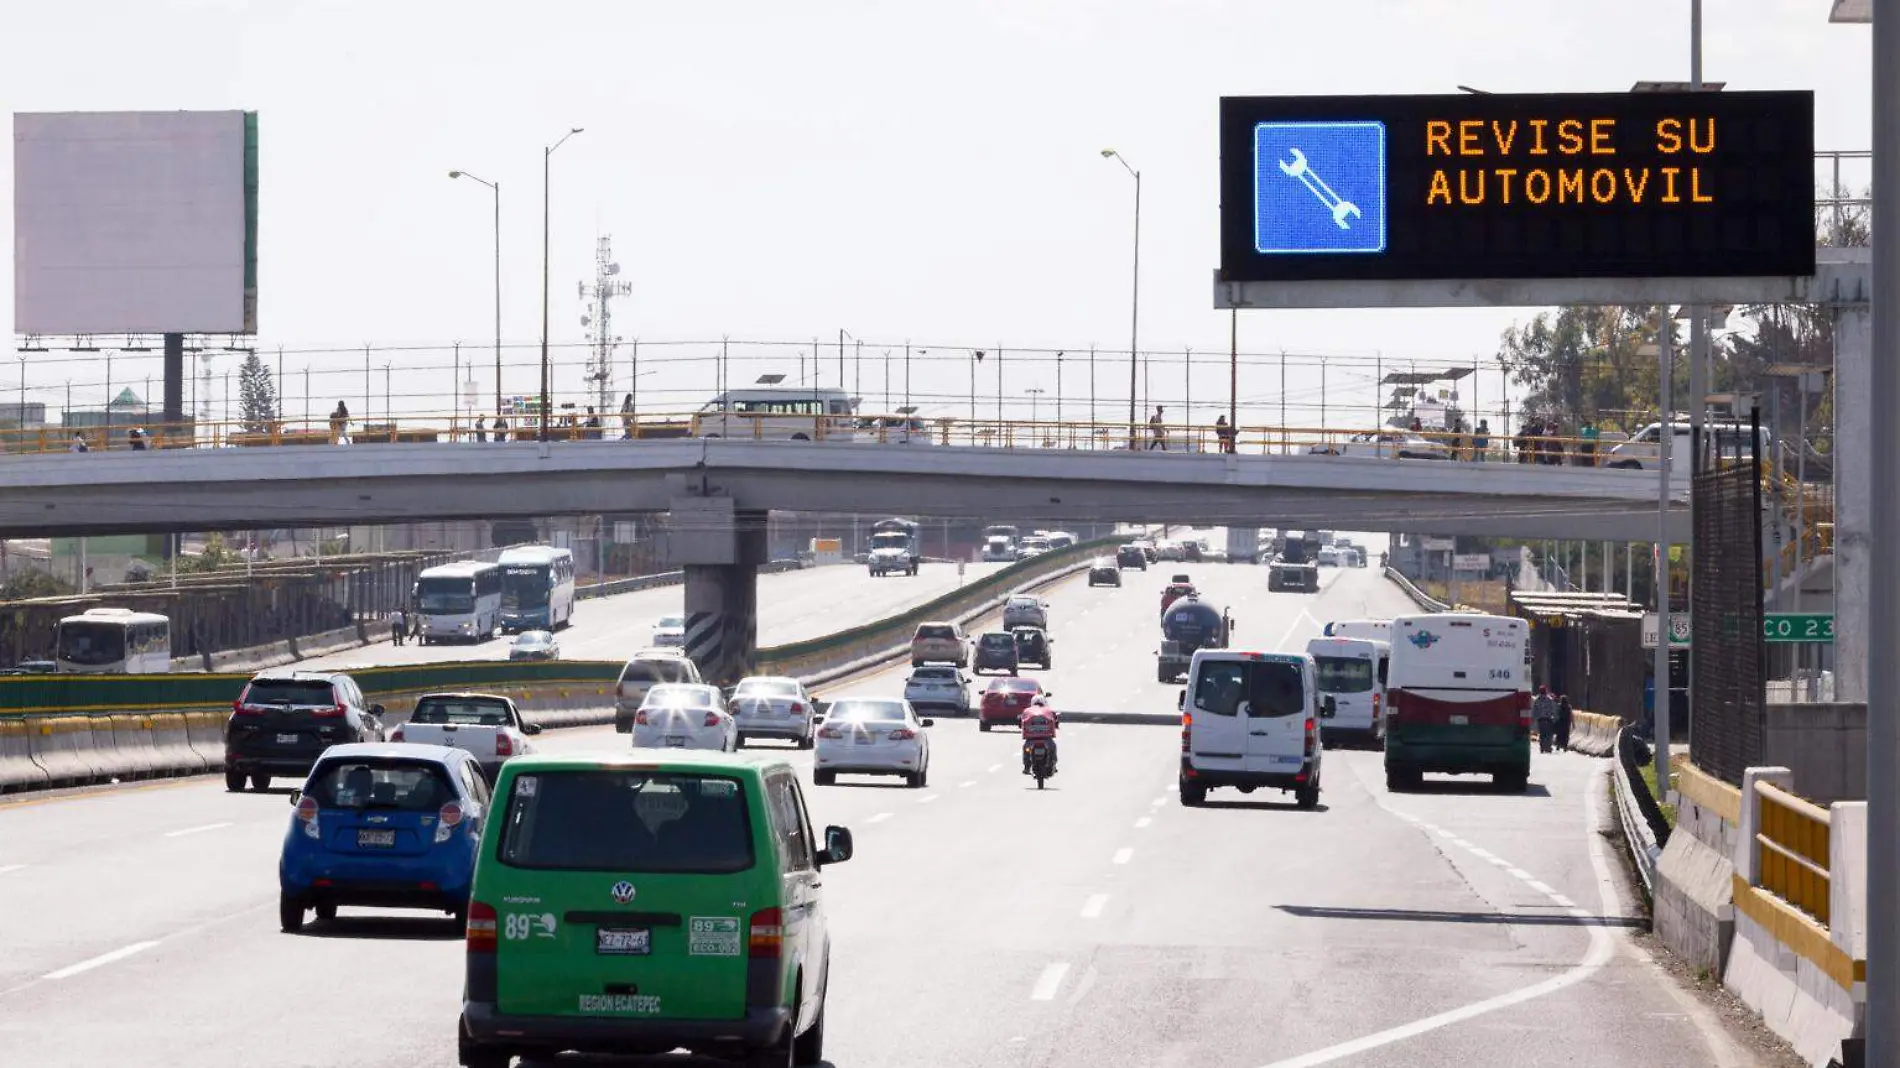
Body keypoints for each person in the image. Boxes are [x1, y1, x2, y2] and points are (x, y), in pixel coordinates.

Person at [1019, 697, 1058, 775]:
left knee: (1026, 749)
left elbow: (1021, 721)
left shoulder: (1027, 711)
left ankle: (1027, 767)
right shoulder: (1049, 710)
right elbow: (1056, 719)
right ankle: (1052, 765)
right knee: (1052, 747)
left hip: (1032, 738)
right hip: (1046, 737)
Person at [1532, 686, 1558, 752]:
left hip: (1540, 720)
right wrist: (1555, 718)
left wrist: (1534, 719)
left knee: (1542, 734)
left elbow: (1534, 710)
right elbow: (1553, 709)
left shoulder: (1537, 700)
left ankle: (1542, 747)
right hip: (1548, 719)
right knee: (1548, 734)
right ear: (1545, 691)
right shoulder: (1549, 699)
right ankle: (1548, 747)